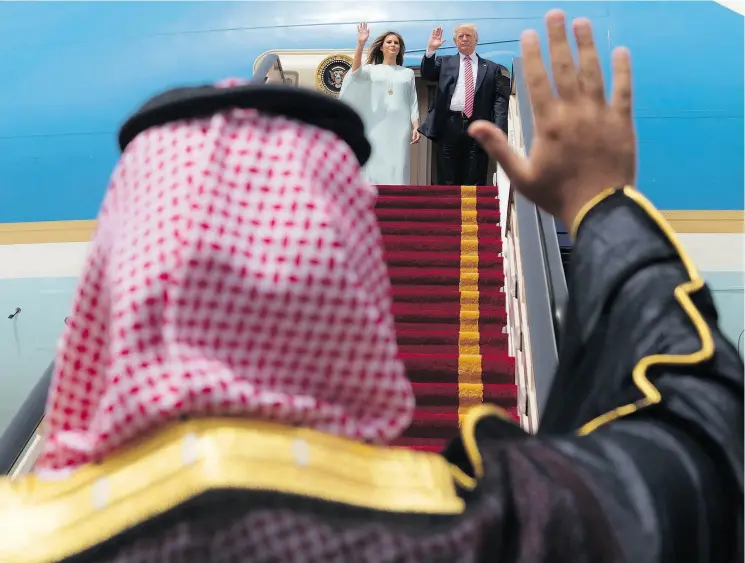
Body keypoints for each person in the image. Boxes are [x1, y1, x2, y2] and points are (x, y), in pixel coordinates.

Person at [0, 10, 741, 563]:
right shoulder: (506, 526)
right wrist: (600, 204)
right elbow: (700, 445)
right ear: (353, 280)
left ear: (107, 285)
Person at [419, 23, 510, 186]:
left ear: (476, 40)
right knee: (448, 173)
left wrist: (499, 127)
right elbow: (428, 73)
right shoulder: (444, 62)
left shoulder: (491, 68)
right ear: (455, 41)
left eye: (469, 35)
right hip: (449, 123)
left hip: (479, 124)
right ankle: (448, 210)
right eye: (460, 36)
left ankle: (472, 211)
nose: (465, 39)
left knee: (475, 173)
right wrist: (431, 50)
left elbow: (499, 100)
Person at [339, 23, 420, 185]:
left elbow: (413, 101)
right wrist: (360, 44)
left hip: (400, 126)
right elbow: (354, 75)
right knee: (375, 162)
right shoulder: (370, 70)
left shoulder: (408, 73)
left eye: (396, 43)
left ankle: (397, 203)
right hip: (376, 123)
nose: (393, 45)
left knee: (398, 163)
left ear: (400, 49)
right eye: (389, 42)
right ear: (381, 47)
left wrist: (416, 126)